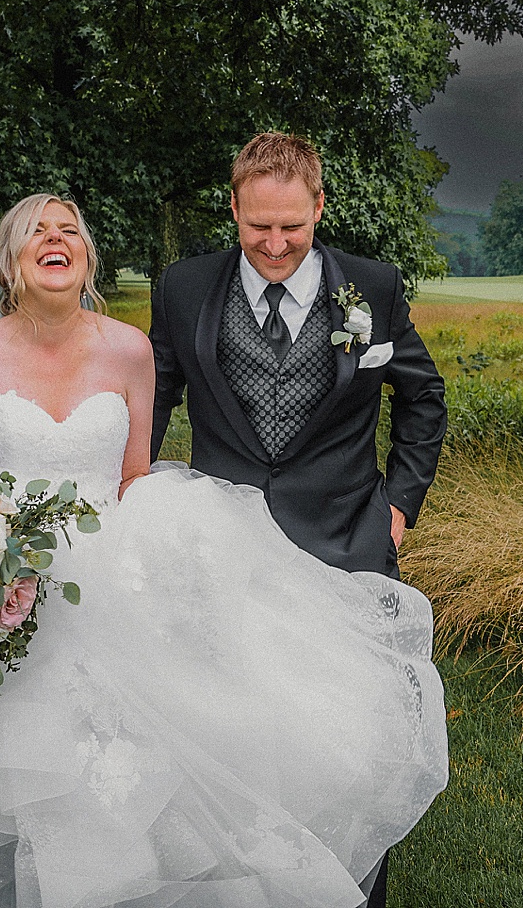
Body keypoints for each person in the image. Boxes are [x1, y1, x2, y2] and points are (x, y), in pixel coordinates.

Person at [0, 188, 446, 908]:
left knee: (121, 774)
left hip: (108, 584)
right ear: (9, 259)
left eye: (70, 230)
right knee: (6, 774)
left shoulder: (129, 350)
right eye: (35, 232)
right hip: (0, 587)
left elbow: (133, 477)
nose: (55, 239)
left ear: (86, 257)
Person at [148, 132, 448, 906]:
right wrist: (131, 497)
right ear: (235, 208)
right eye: (257, 226)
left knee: (353, 749)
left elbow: (423, 396)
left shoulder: (373, 288)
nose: (275, 244)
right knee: (232, 742)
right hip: (224, 551)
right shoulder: (183, 287)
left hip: (347, 541)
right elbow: (154, 396)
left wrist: (399, 509)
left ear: (319, 206)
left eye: (292, 225)